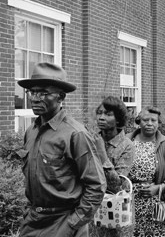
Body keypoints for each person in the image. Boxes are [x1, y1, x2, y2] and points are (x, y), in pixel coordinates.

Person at [17, 62, 106, 237]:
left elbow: (96, 185)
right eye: (32, 92)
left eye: (43, 93)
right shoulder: (31, 131)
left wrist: (73, 224)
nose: (35, 98)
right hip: (33, 221)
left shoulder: (76, 134)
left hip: (63, 221)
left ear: (60, 97)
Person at [127, 106, 165, 236]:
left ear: (159, 123)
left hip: (155, 205)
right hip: (127, 203)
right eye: (145, 120)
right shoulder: (126, 142)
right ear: (138, 121)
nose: (149, 123)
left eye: (153, 120)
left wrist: (160, 187)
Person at [90, 96, 136, 237]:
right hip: (92, 212)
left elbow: (117, 185)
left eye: (108, 114)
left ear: (118, 119)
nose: (101, 117)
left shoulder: (127, 146)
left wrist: (102, 153)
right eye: (99, 113)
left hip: (117, 215)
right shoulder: (90, 140)